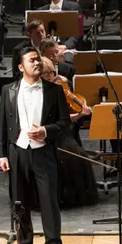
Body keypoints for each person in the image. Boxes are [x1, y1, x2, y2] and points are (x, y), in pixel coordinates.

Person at [0, 47, 70, 244]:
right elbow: (2, 124)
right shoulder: (8, 90)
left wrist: (46, 131)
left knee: (49, 203)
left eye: (38, 59)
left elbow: (64, 123)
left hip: (43, 153)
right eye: (32, 60)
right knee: (20, 204)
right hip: (17, 153)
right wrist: (2, 154)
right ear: (21, 67)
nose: (37, 63)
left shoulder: (54, 90)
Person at [37, 57, 97, 208]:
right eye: (49, 74)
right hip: (45, 135)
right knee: (65, 157)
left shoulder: (56, 89)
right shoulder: (36, 93)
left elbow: (63, 117)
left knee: (80, 156)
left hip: (60, 132)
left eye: (52, 72)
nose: (54, 76)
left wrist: (80, 115)